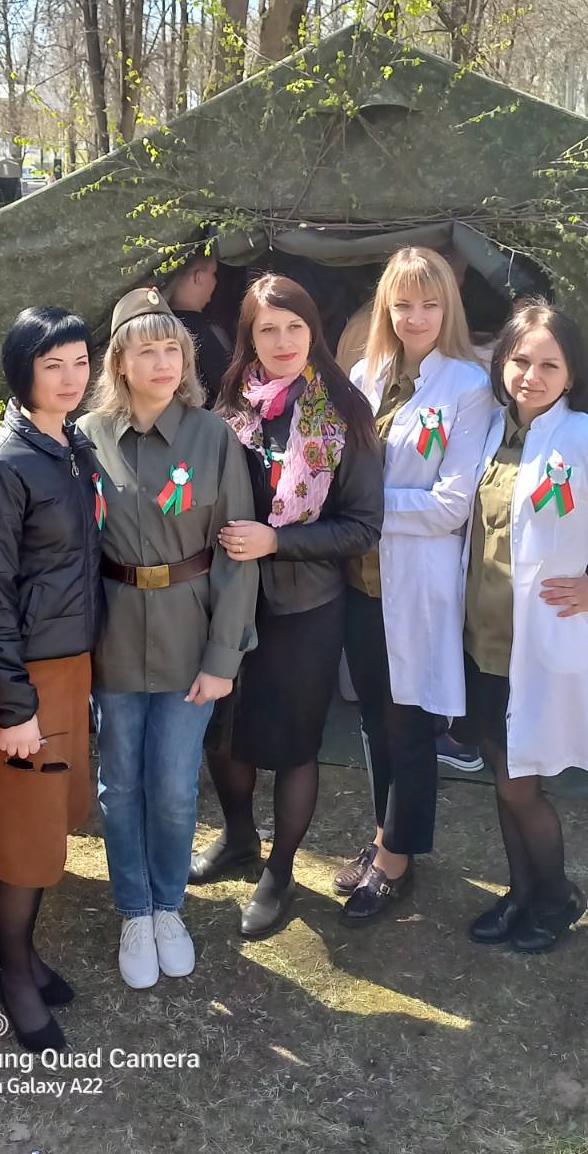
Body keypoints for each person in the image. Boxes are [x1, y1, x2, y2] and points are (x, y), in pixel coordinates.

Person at [190, 273, 384, 940]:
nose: (282, 341)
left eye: (294, 327)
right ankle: (239, 837)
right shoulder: (230, 406)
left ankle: (281, 871)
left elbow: (362, 527)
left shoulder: (345, 411)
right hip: (229, 600)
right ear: (248, 337)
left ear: (313, 331)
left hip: (306, 606)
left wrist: (278, 541)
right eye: (266, 329)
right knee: (224, 730)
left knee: (295, 744)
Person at [79, 285, 258, 990]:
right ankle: (134, 910)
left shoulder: (213, 437)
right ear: (119, 363)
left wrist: (224, 656)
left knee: (176, 787)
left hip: (191, 633)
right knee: (120, 782)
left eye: (172, 349)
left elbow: (236, 554)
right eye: (146, 350)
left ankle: (167, 906)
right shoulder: (87, 437)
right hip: (114, 633)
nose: (162, 363)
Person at [0, 307, 103, 1050]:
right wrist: (14, 705)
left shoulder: (73, 446)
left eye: (80, 362)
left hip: (70, 666)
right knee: (24, 834)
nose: (71, 379)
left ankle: (21, 951)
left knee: (49, 824)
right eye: (54, 366)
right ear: (23, 373)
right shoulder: (1, 463)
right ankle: (12, 966)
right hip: (25, 677)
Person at [337, 247, 493, 921]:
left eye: (430, 304)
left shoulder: (468, 386)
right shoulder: (364, 374)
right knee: (373, 718)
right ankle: (383, 837)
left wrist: (363, 511)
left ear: (448, 307)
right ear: (386, 308)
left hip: (415, 584)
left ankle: (397, 860)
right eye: (403, 304)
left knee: (409, 723)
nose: (416, 317)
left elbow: (450, 505)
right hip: (359, 581)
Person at [460, 301, 588, 951]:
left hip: (535, 643)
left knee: (519, 782)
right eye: (520, 360)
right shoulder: (490, 431)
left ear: (572, 374)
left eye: (549, 365)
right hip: (480, 640)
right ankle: (521, 893)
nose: (531, 376)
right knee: (501, 772)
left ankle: (558, 897)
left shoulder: (581, 439)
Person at [164, 248, 232, 405]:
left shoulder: (157, 329)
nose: (216, 281)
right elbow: (227, 388)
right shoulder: (207, 333)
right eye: (213, 274)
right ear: (198, 277)